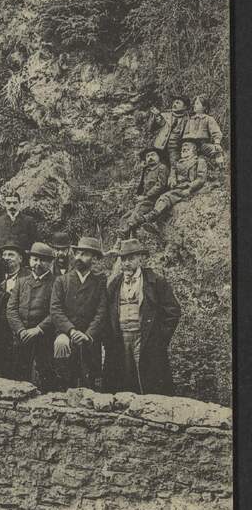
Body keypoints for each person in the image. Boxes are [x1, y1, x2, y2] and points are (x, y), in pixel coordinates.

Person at [104, 239, 181, 395]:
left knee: (148, 379)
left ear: (141, 259)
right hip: (121, 337)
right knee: (124, 376)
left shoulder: (156, 281)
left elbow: (173, 311)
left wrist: (159, 338)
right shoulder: (114, 283)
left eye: (131, 258)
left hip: (146, 338)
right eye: (123, 259)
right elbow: (105, 313)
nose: (126, 263)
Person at [50, 236, 108, 390]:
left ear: (94, 258)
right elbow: (55, 310)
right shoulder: (62, 281)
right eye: (78, 254)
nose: (79, 258)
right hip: (66, 333)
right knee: (64, 374)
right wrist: (71, 330)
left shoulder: (99, 283)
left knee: (89, 379)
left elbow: (101, 312)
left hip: (89, 337)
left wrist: (88, 334)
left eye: (85, 254)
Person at [6, 242, 56, 386]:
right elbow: (11, 309)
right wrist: (20, 330)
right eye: (35, 259)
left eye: (43, 260)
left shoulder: (56, 283)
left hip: (44, 338)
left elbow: (56, 312)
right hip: (21, 338)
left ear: (50, 263)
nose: (38, 263)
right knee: (18, 376)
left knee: (46, 375)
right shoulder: (21, 282)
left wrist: (38, 329)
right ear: (29, 260)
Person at [141, 139, 208, 226]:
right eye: (183, 147)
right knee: (163, 197)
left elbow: (201, 178)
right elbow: (172, 173)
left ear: (194, 149)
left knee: (166, 197)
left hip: (189, 188)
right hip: (178, 188)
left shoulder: (199, 161)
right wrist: (172, 178)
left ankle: (152, 216)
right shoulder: (177, 163)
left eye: (187, 146)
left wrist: (190, 189)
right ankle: (154, 220)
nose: (184, 148)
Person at [117, 148, 170, 238]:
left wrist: (145, 196)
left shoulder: (162, 168)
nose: (150, 158)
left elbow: (160, 185)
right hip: (145, 201)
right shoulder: (147, 171)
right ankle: (125, 240)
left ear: (158, 157)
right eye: (148, 156)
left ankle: (122, 238)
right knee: (125, 217)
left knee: (136, 213)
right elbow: (141, 185)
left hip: (155, 200)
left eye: (153, 155)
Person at [0, 190, 36, 256]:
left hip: (22, 261)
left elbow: (33, 245)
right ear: (5, 204)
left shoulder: (29, 221)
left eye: (14, 203)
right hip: (2, 260)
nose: (12, 206)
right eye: (8, 203)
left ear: (20, 203)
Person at [148, 95, 191, 166]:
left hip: (175, 150)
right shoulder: (164, 115)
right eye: (174, 102)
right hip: (159, 148)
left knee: (174, 166)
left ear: (185, 107)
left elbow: (187, 137)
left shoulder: (188, 120)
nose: (174, 104)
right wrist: (155, 116)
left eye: (178, 103)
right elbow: (150, 128)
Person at [183, 95, 225, 166]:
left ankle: (220, 167)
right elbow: (185, 133)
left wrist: (217, 142)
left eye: (197, 103)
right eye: (194, 103)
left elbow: (216, 131)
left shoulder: (208, 119)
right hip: (191, 144)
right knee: (188, 156)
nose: (194, 105)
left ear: (204, 107)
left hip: (203, 144)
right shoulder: (190, 119)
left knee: (217, 150)